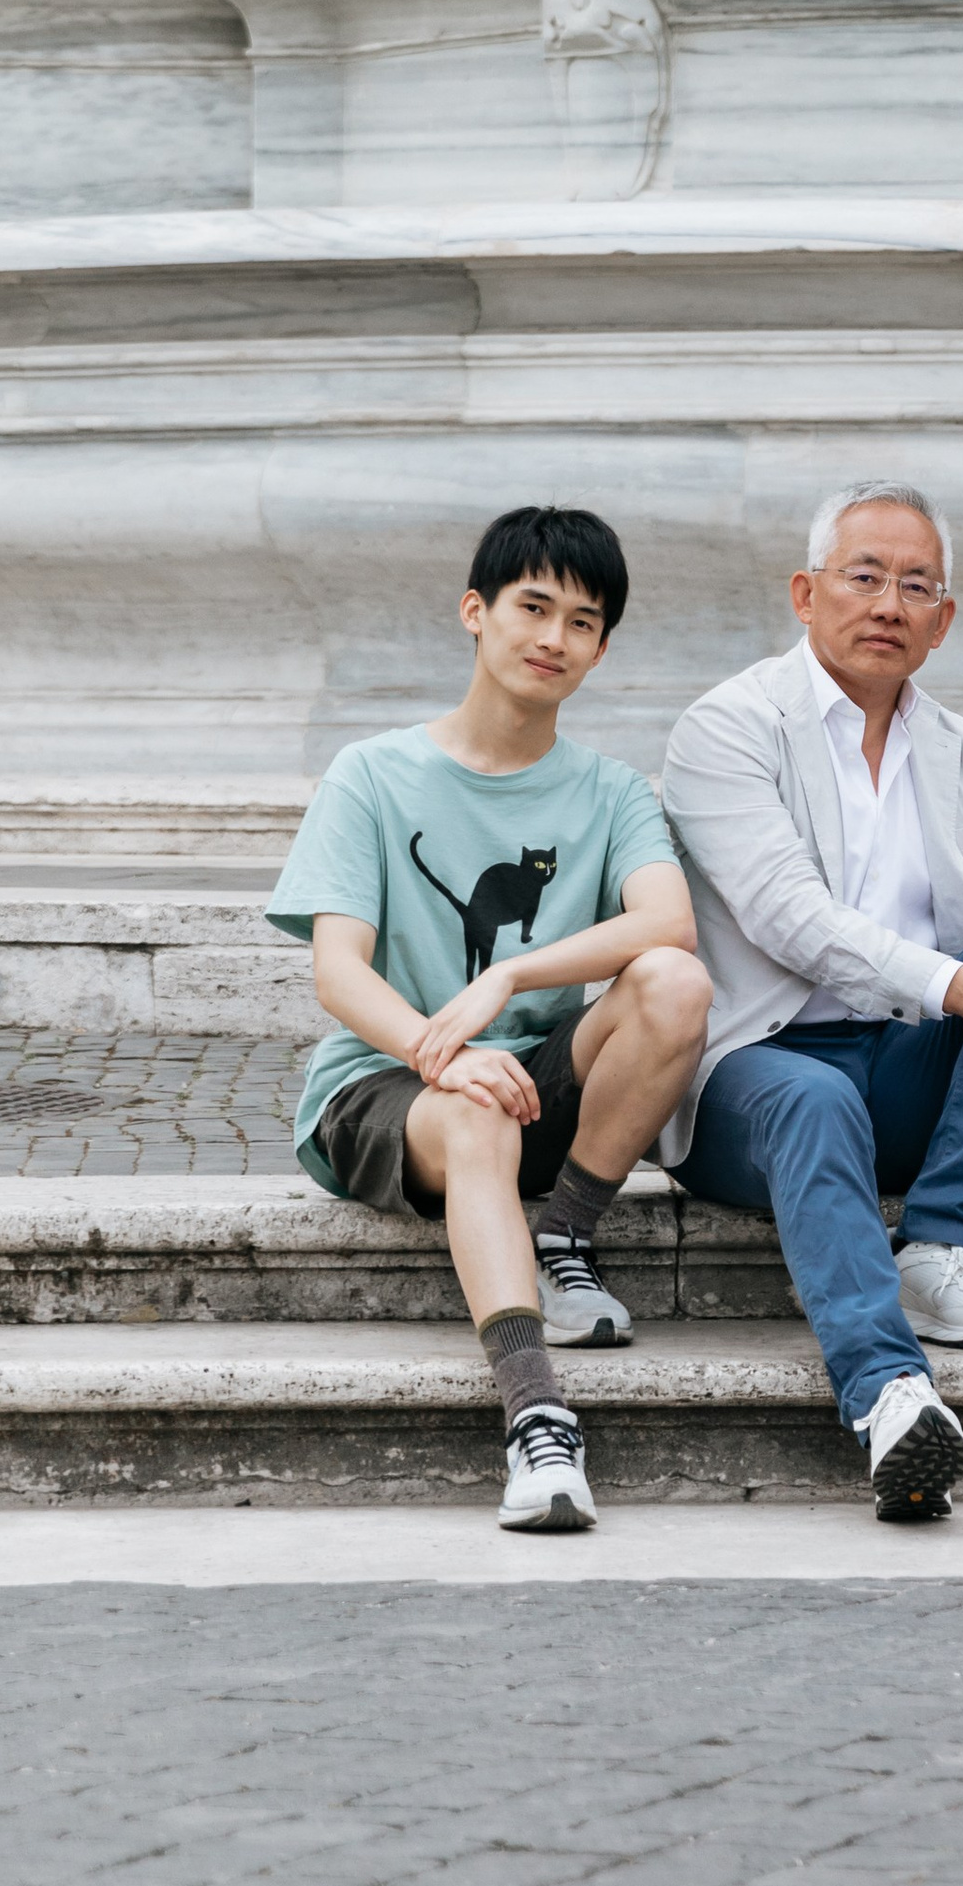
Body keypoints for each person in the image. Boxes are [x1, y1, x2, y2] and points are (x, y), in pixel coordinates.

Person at [659, 481, 963, 1521]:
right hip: (754, 1074)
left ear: (943, 619)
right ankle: (889, 1395)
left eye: (916, 586)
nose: (887, 604)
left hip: (905, 1071)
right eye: (863, 576)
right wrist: (958, 986)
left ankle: (941, 1247)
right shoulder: (727, 727)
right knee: (814, 1096)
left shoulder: (961, 748)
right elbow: (788, 915)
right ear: (805, 593)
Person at [266, 503, 712, 1537]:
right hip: (387, 1086)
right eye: (533, 607)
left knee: (673, 983)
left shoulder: (610, 791)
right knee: (474, 1111)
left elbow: (668, 924)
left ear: (602, 650)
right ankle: (537, 1420)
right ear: (476, 611)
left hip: (535, 1082)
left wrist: (505, 978)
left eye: (583, 623)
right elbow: (339, 974)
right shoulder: (372, 774)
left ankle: (565, 1235)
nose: (554, 638)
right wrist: (442, 1052)